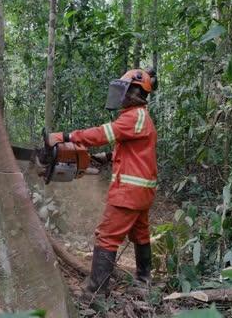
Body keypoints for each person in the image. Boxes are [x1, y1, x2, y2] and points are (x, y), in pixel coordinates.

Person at [50, 67, 159, 295]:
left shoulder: (134, 116)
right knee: (140, 234)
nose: (120, 94)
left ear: (134, 91)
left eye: (124, 89)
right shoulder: (139, 118)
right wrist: (107, 157)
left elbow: (101, 135)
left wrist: (65, 136)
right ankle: (143, 281)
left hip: (128, 191)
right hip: (142, 191)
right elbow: (134, 149)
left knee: (107, 236)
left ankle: (96, 291)